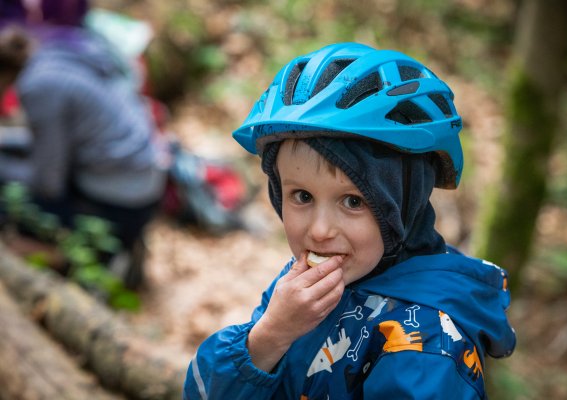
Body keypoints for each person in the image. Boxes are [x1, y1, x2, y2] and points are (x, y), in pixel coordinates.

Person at [183, 42, 516, 399]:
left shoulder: (425, 348)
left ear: (405, 204)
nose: (319, 230)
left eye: (353, 201)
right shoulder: (304, 288)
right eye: (302, 196)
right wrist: (270, 334)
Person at [0, 3, 166, 260]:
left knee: (9, 195)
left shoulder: (37, 86)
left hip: (123, 202)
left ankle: (92, 256)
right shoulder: (53, 53)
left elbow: (49, 182)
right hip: (146, 178)